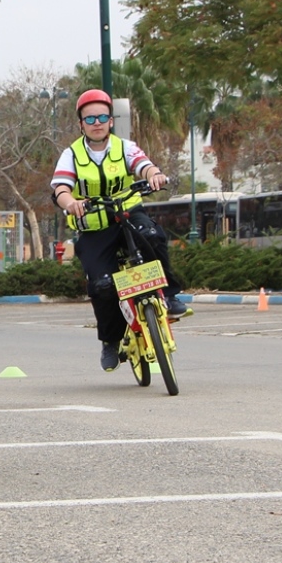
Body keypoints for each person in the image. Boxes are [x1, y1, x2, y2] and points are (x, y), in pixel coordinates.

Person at [50, 89, 189, 373]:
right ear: (81, 124)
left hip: (127, 216)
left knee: (152, 236)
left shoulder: (124, 147)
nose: (97, 122)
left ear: (111, 121)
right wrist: (71, 203)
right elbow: (60, 188)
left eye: (102, 117)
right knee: (101, 285)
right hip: (95, 228)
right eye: (90, 119)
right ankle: (111, 341)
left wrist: (154, 176)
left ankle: (170, 295)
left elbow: (144, 166)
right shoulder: (71, 154)